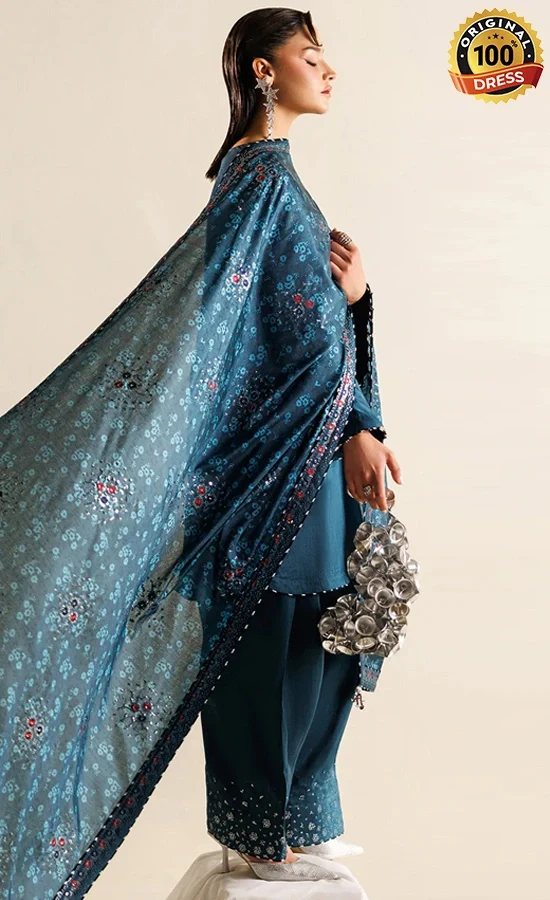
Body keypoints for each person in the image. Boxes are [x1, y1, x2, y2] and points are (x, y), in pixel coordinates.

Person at [0, 7, 401, 897]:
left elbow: (303, 325)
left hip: (303, 452)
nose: (328, 71)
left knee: (324, 631)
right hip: (276, 460)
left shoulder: (274, 182)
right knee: (270, 636)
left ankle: (293, 820)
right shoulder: (261, 184)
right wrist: (359, 418)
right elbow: (288, 336)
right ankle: (262, 831)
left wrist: (357, 306)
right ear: (263, 71)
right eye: (310, 56)